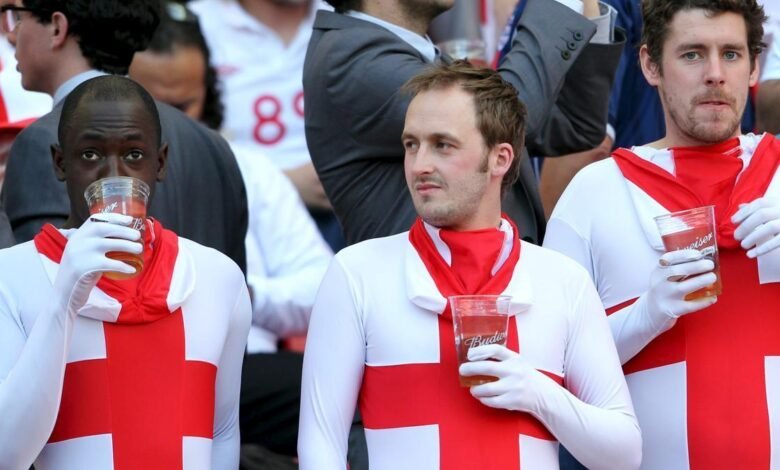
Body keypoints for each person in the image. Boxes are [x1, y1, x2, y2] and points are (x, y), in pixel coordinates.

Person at [298, 61, 641, 470]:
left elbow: (623, 455)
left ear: (500, 159)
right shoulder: (356, 272)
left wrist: (539, 393)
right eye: (411, 144)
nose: (419, 164)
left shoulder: (563, 279)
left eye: (443, 144)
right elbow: (320, 449)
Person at [543, 1, 780, 468]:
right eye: (692, 54)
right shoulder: (593, 192)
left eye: (731, 54)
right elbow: (548, 369)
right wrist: (645, 316)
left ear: (755, 66)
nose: (715, 73)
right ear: (650, 65)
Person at [0, 75, 250, 469]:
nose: (113, 175)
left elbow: (222, 433)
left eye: (134, 155)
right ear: (60, 162)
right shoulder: (11, 276)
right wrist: (63, 299)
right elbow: (7, 454)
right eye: (90, 155)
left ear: (160, 162)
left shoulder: (218, 277)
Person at [129, 6, 333, 461]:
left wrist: (239, 296)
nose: (166, 121)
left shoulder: (248, 168)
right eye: (147, 101)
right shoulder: (93, 177)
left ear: (211, 92)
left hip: (244, 367)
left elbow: (323, 289)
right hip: (129, 368)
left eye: (183, 105)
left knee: (347, 382)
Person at [303, 0, 624, 246]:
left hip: (487, 291)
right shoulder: (351, 58)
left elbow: (574, 126)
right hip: (432, 307)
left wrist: (589, 14)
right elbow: (499, 117)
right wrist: (558, 7)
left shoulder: (410, 55)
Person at [0, 0, 249, 274]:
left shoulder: (39, 140)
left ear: (57, 28)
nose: (11, 34)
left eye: (19, 17)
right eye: (91, 154)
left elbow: (36, 289)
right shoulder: (210, 143)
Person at [188, 0, 345, 251]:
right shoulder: (195, 23)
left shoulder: (345, 14)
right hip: (245, 212)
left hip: (351, 203)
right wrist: (282, 183)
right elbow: (177, 142)